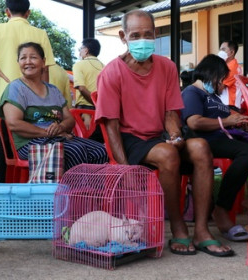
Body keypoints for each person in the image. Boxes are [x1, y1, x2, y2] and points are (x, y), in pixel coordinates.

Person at [96, 10, 234, 257]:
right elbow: (111, 126)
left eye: (147, 34)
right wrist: (124, 168)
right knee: (169, 155)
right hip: (132, 138)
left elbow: (172, 114)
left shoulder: (167, 67)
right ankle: (178, 226)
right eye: (135, 35)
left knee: (201, 147)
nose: (142, 39)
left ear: (155, 34)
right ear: (123, 36)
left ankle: (202, 230)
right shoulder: (111, 72)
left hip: (160, 135)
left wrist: (176, 135)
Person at [0, 42, 107, 171]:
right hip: (29, 143)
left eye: (33, 57)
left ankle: (92, 190)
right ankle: (72, 190)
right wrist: (48, 133)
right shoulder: (15, 88)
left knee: (101, 150)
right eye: (23, 58)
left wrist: (60, 127)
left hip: (58, 138)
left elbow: (69, 120)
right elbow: (14, 124)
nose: (28, 62)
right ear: (18, 63)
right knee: (75, 150)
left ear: (43, 62)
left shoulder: (53, 90)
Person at [181, 54, 248, 241]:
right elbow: (194, 122)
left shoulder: (210, 95)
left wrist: (236, 123)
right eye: (220, 79)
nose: (221, 84)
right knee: (247, 152)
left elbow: (221, 120)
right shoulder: (192, 92)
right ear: (211, 73)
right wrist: (227, 121)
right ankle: (222, 208)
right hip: (203, 141)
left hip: (219, 136)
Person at [0, 0, 56, 183]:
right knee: (38, 145)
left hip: (5, 99)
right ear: (28, 13)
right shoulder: (40, 33)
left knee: (6, 151)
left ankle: (4, 194)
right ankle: (34, 190)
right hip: (35, 100)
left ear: (7, 12)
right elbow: (45, 69)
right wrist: (44, 99)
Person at [73, 38, 104, 142]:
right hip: (102, 111)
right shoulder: (105, 67)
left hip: (85, 112)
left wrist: (96, 103)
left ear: (86, 50)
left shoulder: (79, 65)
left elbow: (81, 88)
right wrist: (99, 105)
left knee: (83, 143)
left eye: (80, 49)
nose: (79, 52)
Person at [218, 40, 242, 108]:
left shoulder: (231, 68)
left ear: (232, 52)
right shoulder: (230, 66)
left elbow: (220, 88)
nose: (220, 52)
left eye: (223, 49)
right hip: (230, 104)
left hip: (229, 104)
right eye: (220, 50)